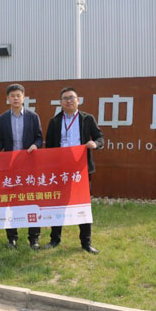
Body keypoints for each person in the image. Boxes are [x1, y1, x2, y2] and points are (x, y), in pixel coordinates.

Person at [44, 86, 104, 254]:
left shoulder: (87, 119)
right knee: (57, 203)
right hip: (61, 170)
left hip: (81, 169)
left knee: (83, 205)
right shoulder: (55, 121)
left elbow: (100, 137)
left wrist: (95, 144)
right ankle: (55, 239)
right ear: (60, 102)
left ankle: (86, 242)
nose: (68, 101)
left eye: (71, 98)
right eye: (65, 98)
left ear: (78, 100)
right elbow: (50, 147)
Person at [0, 84, 43, 250]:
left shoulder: (33, 116)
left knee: (32, 201)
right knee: (11, 202)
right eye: (12, 96)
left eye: (18, 95)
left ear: (23, 97)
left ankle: (34, 238)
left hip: (29, 165)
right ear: (8, 99)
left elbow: (39, 138)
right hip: (11, 166)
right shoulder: (3, 118)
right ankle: (12, 237)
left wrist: (35, 145)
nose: (16, 98)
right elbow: (1, 140)